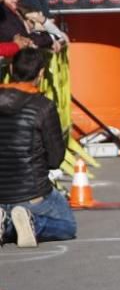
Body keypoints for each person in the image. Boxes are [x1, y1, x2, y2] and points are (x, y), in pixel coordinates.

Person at [0, 48, 77, 248]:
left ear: (10, 68)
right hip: (32, 193)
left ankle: (5, 222)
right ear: (41, 74)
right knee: (67, 225)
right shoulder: (43, 106)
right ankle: (27, 224)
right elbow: (55, 159)